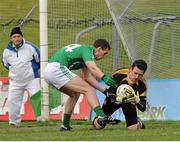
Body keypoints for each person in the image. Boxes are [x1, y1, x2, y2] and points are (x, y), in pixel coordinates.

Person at [43, 39, 117, 131]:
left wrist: (105, 91)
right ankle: (101, 115)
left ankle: (65, 125)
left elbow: (88, 77)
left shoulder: (84, 53)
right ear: (98, 49)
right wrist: (104, 76)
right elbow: (93, 68)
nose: (104, 56)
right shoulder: (87, 50)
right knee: (89, 90)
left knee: (74, 94)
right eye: (104, 53)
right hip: (56, 69)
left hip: (48, 72)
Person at [2, 27, 41, 126]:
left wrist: (33, 71)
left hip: (32, 79)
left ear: (22, 37)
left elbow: (39, 59)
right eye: (14, 37)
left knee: (37, 98)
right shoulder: (6, 52)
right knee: (12, 101)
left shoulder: (31, 47)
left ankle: (41, 119)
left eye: (18, 36)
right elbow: (6, 65)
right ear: (11, 38)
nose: (17, 39)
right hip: (15, 81)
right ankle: (14, 122)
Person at [102, 59, 148, 130]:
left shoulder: (143, 85)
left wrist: (137, 101)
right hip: (114, 100)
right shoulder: (119, 74)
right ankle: (101, 119)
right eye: (135, 73)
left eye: (140, 75)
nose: (136, 77)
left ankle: (139, 123)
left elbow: (143, 108)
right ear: (130, 70)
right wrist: (117, 99)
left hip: (128, 102)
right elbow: (110, 91)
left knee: (132, 128)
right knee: (98, 124)